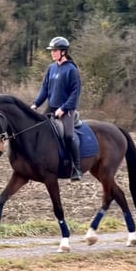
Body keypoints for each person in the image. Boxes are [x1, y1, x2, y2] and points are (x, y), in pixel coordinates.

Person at [31, 36, 83, 181]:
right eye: (52, 51)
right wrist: (36, 104)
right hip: (51, 107)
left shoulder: (72, 70)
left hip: (67, 110)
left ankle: (76, 168)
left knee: (67, 136)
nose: (52, 53)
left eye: (55, 50)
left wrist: (64, 108)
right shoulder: (51, 68)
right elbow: (45, 89)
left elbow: (75, 93)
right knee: (38, 128)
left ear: (63, 52)